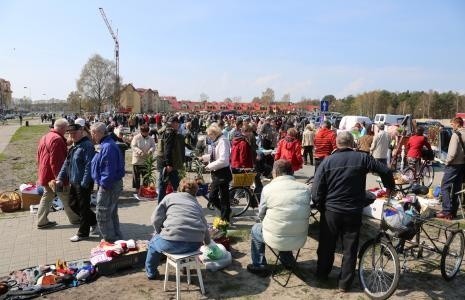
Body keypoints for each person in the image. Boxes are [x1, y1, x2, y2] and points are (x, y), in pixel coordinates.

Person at [312, 131, 395, 292]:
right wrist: (389, 187)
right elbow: (385, 171)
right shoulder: (362, 158)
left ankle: (322, 274)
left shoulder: (327, 162)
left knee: (326, 245)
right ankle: (344, 283)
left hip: (332, 211)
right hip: (352, 210)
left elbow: (316, 191)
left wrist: (322, 206)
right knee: (350, 249)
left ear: (337, 144)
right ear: (352, 144)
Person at [247, 159, 311, 276]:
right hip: (299, 237)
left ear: (275, 172)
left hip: (277, 236)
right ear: (291, 172)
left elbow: (261, 214)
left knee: (256, 229)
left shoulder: (268, 189)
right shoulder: (305, 188)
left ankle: (259, 265)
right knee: (284, 223)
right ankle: (288, 260)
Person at [145, 178, 210, 280]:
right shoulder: (197, 204)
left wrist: (159, 232)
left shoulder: (170, 197)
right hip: (194, 244)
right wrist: (207, 242)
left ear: (180, 188)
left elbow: (155, 219)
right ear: (195, 191)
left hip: (171, 242)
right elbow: (205, 226)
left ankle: (151, 273)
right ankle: (184, 268)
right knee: (184, 236)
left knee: (153, 244)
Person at [36, 118, 80, 229]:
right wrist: (60, 179)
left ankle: (41, 221)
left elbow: (39, 156)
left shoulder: (46, 136)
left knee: (48, 196)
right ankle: (75, 219)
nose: (68, 131)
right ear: (63, 128)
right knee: (66, 196)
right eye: (67, 128)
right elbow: (56, 161)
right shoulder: (56, 139)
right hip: (53, 176)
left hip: (45, 173)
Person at [57, 123, 97, 242]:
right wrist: (59, 177)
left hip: (83, 182)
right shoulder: (75, 146)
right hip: (74, 181)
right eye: (70, 133)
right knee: (72, 204)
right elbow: (66, 163)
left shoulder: (87, 146)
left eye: (74, 133)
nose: (72, 135)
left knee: (83, 208)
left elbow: (89, 166)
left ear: (81, 131)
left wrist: (84, 183)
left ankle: (83, 233)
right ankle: (94, 220)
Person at [90, 122, 125, 243]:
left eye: (92, 133)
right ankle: (117, 238)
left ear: (98, 133)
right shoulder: (105, 145)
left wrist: (104, 186)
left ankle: (110, 240)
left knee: (103, 214)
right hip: (110, 184)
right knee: (111, 213)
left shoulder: (107, 147)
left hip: (108, 185)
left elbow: (107, 169)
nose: (92, 136)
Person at [202, 123, 232, 221]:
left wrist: (209, 166)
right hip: (217, 172)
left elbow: (223, 160)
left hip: (222, 172)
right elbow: (214, 156)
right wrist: (203, 158)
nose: (209, 137)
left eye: (210, 135)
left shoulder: (223, 141)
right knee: (219, 197)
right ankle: (226, 213)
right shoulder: (218, 141)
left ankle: (225, 218)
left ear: (215, 133)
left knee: (217, 197)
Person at [437, 117, 465, 219]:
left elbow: (452, 153)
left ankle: (446, 211)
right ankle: (453, 211)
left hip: (453, 165)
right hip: (462, 165)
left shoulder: (455, 135)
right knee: (457, 189)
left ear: (457, 124)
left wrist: (446, 162)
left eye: (452, 124)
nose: (452, 126)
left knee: (445, 187)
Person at [156, 116, 184, 202]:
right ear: (173, 123)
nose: (178, 125)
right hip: (168, 163)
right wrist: (168, 164)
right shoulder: (170, 132)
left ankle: (162, 204)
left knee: (164, 185)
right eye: (177, 123)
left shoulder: (163, 130)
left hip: (162, 161)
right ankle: (163, 205)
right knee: (174, 185)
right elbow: (167, 149)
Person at [130, 124, 156, 192]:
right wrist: (139, 151)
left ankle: (145, 189)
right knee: (136, 176)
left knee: (146, 176)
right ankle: (137, 189)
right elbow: (133, 146)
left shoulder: (151, 138)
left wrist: (150, 151)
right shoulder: (136, 137)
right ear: (141, 131)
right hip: (137, 160)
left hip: (146, 160)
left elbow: (153, 146)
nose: (146, 133)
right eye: (144, 132)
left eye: (147, 132)